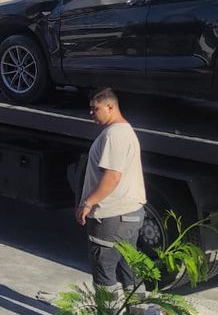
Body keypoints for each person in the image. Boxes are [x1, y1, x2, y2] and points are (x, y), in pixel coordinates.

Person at [76, 88, 146, 293]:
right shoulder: (124, 131)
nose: (91, 114)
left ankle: (108, 309)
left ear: (110, 106)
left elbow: (112, 176)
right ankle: (139, 307)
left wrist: (88, 202)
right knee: (130, 268)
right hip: (129, 213)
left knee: (104, 271)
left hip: (112, 215)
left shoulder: (114, 135)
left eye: (95, 109)